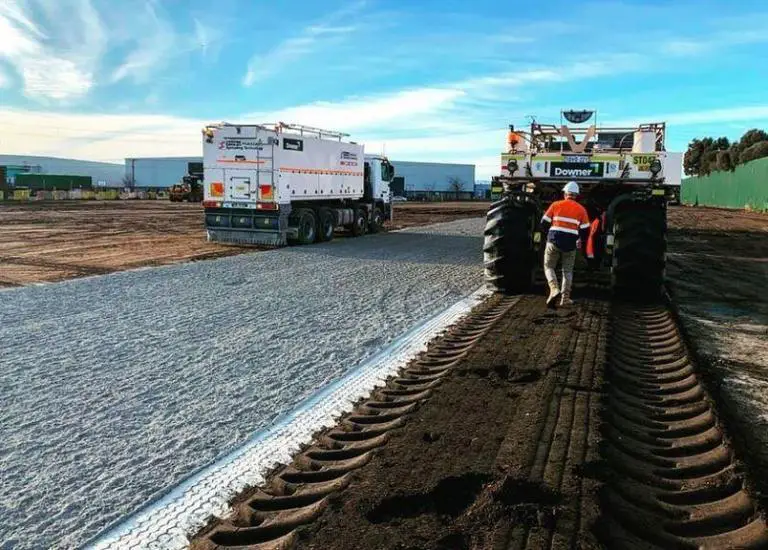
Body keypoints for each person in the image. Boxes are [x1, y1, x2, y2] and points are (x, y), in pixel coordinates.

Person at [540, 181, 591, 308]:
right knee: (567, 271)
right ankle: (565, 299)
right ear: (577, 195)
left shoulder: (555, 205)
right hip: (570, 243)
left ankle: (554, 288)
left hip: (553, 240)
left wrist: (549, 234)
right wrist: (580, 239)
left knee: (549, 266)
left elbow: (543, 223)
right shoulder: (581, 209)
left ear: (565, 194)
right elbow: (586, 230)